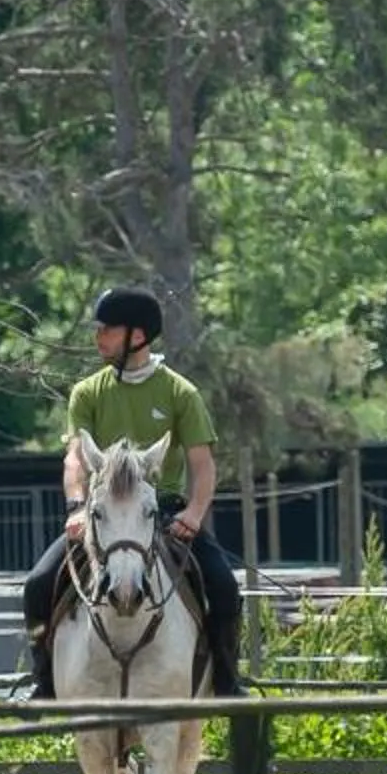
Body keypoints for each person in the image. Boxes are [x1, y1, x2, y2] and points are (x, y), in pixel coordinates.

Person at [21, 286, 246, 698]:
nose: (98, 337)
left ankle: (228, 680)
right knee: (37, 584)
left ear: (137, 335)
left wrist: (193, 515)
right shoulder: (87, 392)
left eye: (108, 329)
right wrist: (75, 507)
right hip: (102, 515)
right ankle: (45, 679)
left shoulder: (181, 393)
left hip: (165, 513)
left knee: (225, 587)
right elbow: (75, 459)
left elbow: (203, 465)